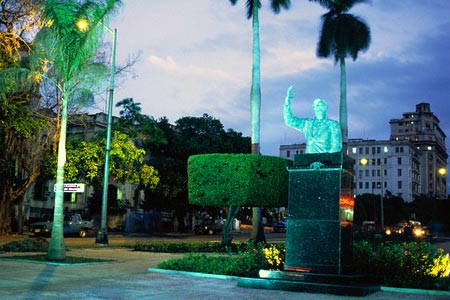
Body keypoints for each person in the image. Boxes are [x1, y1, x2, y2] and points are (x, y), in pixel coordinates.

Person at [283, 84, 342, 154]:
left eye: (321, 105)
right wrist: (287, 100)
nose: (318, 108)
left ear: (326, 107)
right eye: (316, 106)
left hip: (326, 161)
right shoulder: (307, 124)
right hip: (308, 160)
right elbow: (289, 121)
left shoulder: (333, 124)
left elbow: (337, 145)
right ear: (313, 108)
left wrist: (327, 160)